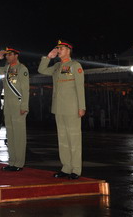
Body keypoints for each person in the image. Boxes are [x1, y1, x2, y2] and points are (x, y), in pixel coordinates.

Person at [38, 39, 86, 179]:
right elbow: (41, 70)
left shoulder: (75, 65)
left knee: (74, 139)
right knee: (63, 139)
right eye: (57, 48)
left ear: (69, 50)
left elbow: (79, 87)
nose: (59, 50)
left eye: (61, 48)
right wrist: (48, 57)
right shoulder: (57, 66)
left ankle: (76, 170)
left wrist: (81, 107)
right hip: (59, 108)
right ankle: (66, 167)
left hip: (72, 108)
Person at [0, 47, 29, 171]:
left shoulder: (22, 69)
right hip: (8, 106)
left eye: (10, 55)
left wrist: (24, 106)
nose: (7, 57)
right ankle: (12, 162)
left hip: (18, 106)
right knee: (11, 135)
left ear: (16, 55)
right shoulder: (6, 68)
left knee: (19, 136)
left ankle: (19, 163)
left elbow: (25, 89)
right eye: (6, 55)